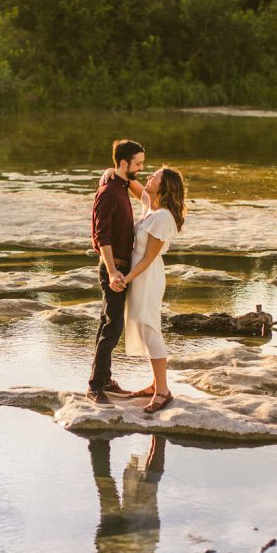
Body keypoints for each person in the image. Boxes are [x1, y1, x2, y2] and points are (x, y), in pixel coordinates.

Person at [118, 166, 186, 414]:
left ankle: (163, 391)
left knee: (150, 328)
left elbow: (147, 258)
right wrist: (116, 172)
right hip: (139, 275)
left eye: (154, 177)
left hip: (146, 276)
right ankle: (155, 384)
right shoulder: (152, 208)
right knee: (144, 326)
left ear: (164, 185)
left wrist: (126, 279)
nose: (149, 177)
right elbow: (136, 188)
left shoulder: (163, 217)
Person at [87, 140, 146, 404]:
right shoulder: (109, 192)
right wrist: (112, 272)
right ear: (124, 163)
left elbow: (144, 193)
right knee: (114, 325)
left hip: (121, 266)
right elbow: (102, 237)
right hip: (114, 267)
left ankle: (104, 379)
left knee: (107, 323)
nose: (141, 168)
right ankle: (96, 386)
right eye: (138, 163)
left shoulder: (119, 186)